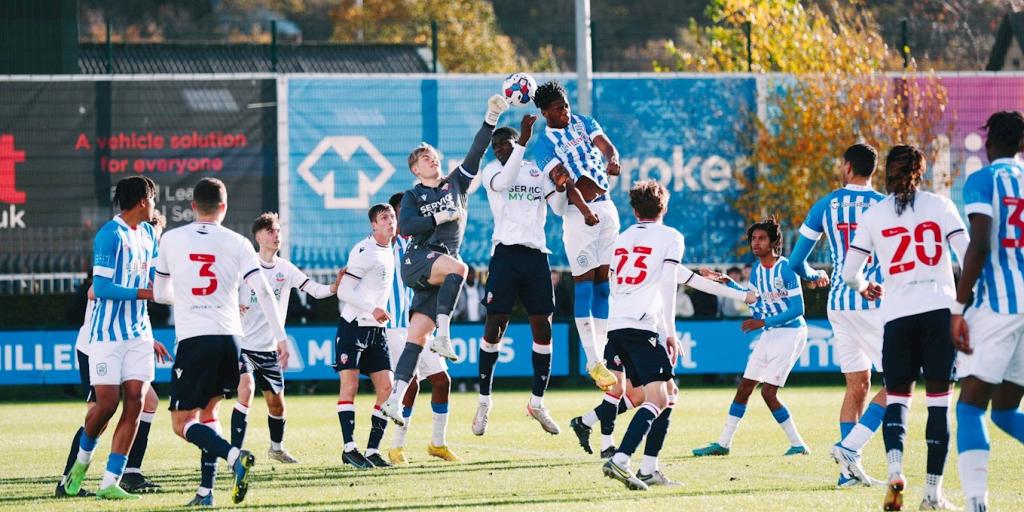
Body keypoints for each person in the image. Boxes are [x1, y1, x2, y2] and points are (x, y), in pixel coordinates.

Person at [572, 181, 758, 468]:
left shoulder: (622, 239)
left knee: (648, 394)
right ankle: (624, 459)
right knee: (661, 397)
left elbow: (687, 279)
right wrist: (669, 333)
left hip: (616, 327)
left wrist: (743, 295)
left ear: (633, 210)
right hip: (641, 327)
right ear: (665, 206)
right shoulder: (670, 236)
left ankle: (646, 466)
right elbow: (669, 284)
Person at [842, 145, 968, 511]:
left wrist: (865, 286)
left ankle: (895, 471)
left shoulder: (875, 214)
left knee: (897, 398)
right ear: (920, 171)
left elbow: (850, 272)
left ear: (887, 174)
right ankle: (932, 493)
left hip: (897, 316)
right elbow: (968, 251)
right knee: (939, 404)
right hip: (938, 312)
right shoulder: (940, 205)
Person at [153, 177, 289, 506]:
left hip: (195, 338)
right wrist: (281, 336)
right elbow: (264, 291)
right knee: (210, 412)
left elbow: (159, 294)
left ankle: (233, 456)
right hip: (230, 338)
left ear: (193, 206)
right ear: (224, 208)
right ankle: (205, 491)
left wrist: (185, 299)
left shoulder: (171, 239)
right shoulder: (239, 242)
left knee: (181, 423)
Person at [380, 95, 510, 435]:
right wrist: (438, 215)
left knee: (415, 340)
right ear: (415, 169)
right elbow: (406, 227)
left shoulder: (456, 184)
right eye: (425, 159)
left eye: (434, 157)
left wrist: (491, 116)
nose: (432, 161)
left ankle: (394, 399)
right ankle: (445, 334)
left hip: (434, 273)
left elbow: (478, 150)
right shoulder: (412, 196)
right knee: (461, 269)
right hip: (418, 260)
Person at [787, 143, 889, 488]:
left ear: (847, 167)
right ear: (873, 170)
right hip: (873, 301)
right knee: (900, 382)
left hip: (839, 306)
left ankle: (848, 473)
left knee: (857, 386)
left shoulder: (825, 205)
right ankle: (849, 448)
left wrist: (814, 274)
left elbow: (796, 262)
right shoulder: (884, 205)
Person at [63, 176, 169, 501]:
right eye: (152, 198)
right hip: (106, 336)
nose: (154, 204)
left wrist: (171, 290)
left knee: (137, 400)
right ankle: (79, 467)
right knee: (107, 404)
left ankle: (111, 481)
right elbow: (103, 288)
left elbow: (155, 279)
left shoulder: (150, 234)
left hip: (139, 332)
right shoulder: (110, 234)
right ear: (142, 201)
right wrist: (146, 293)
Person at [473, 114, 569, 437]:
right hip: (505, 254)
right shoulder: (492, 172)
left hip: (535, 256)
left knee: (543, 329)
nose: (500, 149)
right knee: (494, 327)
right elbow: (504, 182)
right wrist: (523, 142)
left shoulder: (535, 171)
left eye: (506, 143)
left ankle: (537, 403)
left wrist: (559, 187)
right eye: (495, 146)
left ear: (516, 143)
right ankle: (485, 401)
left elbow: (556, 208)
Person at [952, 111, 1024, 512]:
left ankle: (977, 504)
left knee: (971, 407)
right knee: (1007, 411)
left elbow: (979, 245)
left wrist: (958, 308)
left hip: (998, 307)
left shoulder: (983, 179)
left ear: (990, 141)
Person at [693, 217, 811, 459]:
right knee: (745, 387)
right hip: (770, 333)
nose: (755, 243)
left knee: (768, 393)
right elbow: (756, 300)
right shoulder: (757, 270)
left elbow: (798, 308)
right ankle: (723, 444)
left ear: (773, 242)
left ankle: (799, 445)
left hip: (791, 333)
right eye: (753, 239)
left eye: (761, 238)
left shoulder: (786, 269)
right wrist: (729, 284)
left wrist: (763, 322)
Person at [231, 212, 342, 464]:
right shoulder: (245, 268)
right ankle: (234, 454)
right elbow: (226, 292)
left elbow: (314, 290)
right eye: (271, 231)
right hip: (243, 346)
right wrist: (233, 306)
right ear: (258, 236)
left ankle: (276, 449)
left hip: (269, 349)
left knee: (277, 405)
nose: (276, 236)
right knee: (245, 391)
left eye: (278, 231)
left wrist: (333, 288)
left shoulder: (285, 269)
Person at [532, 80, 621, 391]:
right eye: (559, 108)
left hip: (606, 207)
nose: (566, 111)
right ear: (545, 113)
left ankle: (603, 355)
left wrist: (613, 158)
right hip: (577, 216)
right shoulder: (543, 145)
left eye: (566, 105)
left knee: (604, 286)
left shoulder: (583, 121)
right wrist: (583, 211)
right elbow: (564, 181)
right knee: (583, 286)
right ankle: (593, 358)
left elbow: (605, 144)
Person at [383, 192, 457, 465]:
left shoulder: (421, 244)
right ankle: (396, 448)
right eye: (400, 211)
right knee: (410, 384)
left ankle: (438, 444)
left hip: (419, 324)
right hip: (394, 327)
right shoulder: (385, 244)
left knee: (441, 380)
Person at [332, 203, 400, 469]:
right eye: (384, 218)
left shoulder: (389, 249)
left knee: (387, 388)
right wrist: (374, 309)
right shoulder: (364, 250)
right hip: (354, 326)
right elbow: (344, 291)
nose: (390, 221)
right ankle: (349, 448)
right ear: (373, 225)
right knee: (350, 387)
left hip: (376, 329)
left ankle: (372, 450)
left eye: (392, 217)